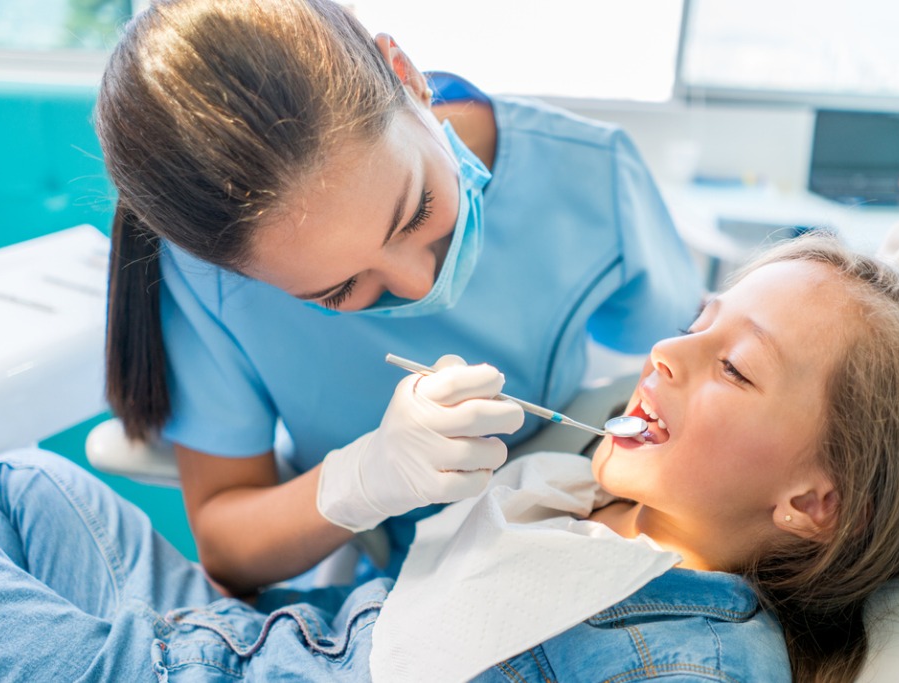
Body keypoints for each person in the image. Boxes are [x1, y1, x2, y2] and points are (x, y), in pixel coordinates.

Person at [0, 236, 899, 682]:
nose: (667, 354)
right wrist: (881, 285)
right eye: (698, 320)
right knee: (15, 484)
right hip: (254, 636)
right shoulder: (592, 498)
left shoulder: (684, 660)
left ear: (816, 502)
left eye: (733, 365)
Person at [95, 0, 704, 593]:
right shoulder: (205, 281)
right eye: (338, 289)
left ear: (406, 75)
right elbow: (227, 547)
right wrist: (363, 480)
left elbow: (683, 374)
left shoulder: (590, 171)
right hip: (392, 580)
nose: (419, 285)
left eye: (418, 212)